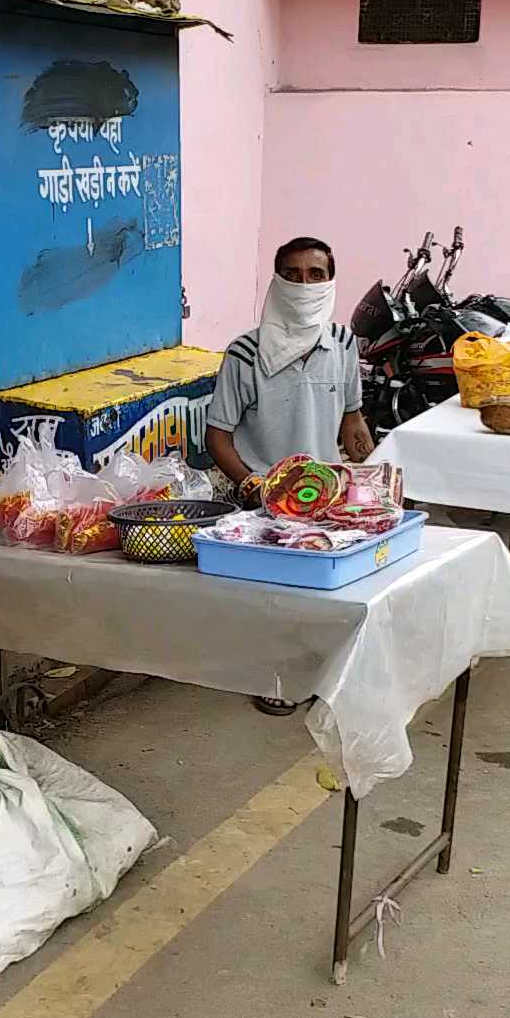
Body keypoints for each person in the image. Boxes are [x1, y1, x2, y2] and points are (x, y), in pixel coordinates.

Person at [205, 237, 374, 716]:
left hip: (325, 494)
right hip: (260, 498)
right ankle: (275, 677)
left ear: (330, 280)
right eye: (293, 274)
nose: (304, 284)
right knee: (273, 599)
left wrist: (370, 469)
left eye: (315, 274)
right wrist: (254, 486)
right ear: (277, 280)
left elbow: (352, 419)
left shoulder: (342, 343)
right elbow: (218, 437)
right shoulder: (244, 353)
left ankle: (322, 674)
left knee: (327, 593)